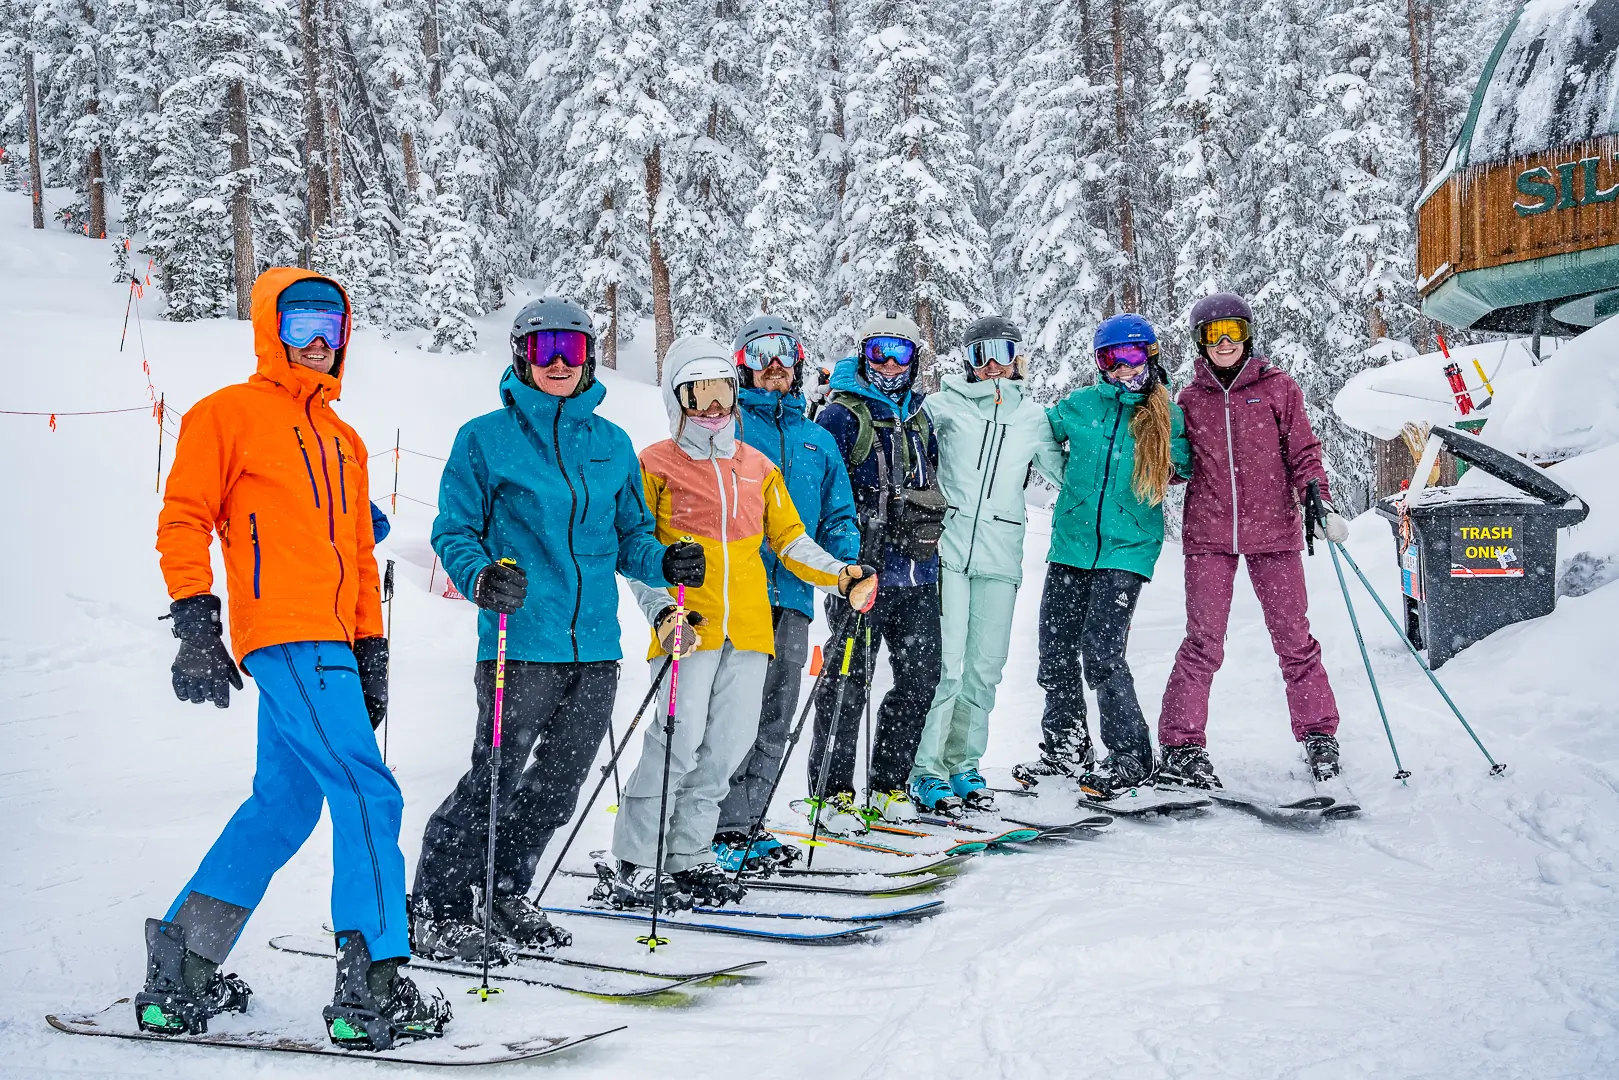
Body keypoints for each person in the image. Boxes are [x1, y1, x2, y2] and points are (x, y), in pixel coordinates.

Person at [142, 269, 450, 1051]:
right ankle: (372, 986)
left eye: (332, 327)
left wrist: (370, 647)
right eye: (302, 323)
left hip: (331, 641)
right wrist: (194, 617)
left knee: (284, 805)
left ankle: (182, 970)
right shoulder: (228, 415)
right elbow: (184, 515)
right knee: (367, 794)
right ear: (268, 329)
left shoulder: (342, 438)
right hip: (282, 632)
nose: (318, 342)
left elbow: (352, 549)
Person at [411, 298, 700, 960]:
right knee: (495, 778)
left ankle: (507, 890)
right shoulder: (485, 438)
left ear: (590, 355)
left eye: (572, 348)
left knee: (559, 785)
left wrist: (663, 560)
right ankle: (438, 905)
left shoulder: (609, 442)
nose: (561, 362)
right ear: (521, 356)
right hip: (522, 641)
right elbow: (454, 528)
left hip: (595, 645)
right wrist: (482, 577)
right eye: (545, 350)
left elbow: (631, 535)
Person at [595, 335, 876, 909]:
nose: (714, 406)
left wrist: (842, 574)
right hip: (687, 626)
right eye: (698, 395)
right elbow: (637, 549)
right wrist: (662, 612)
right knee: (677, 739)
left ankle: (691, 853)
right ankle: (636, 857)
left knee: (729, 743)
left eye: (722, 391)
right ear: (678, 401)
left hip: (749, 628)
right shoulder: (653, 463)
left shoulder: (757, 466)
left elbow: (790, 540)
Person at [1156, 293, 1350, 786]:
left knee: (1293, 640)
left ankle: (1318, 736)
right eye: (1214, 334)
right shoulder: (1188, 400)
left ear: (1247, 335)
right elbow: (1175, 468)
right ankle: (1182, 745)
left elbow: (1304, 452)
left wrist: (1317, 500)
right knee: (1203, 643)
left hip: (1276, 535)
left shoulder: (1279, 388)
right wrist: (1153, 419)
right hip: (1210, 537)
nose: (1225, 343)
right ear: (1200, 341)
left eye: (1234, 332)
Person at [1015, 313, 1191, 800]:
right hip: (1072, 543)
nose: (1124, 368)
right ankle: (1066, 748)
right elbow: (1036, 434)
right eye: (1112, 358)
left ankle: (1131, 754)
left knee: (1102, 651)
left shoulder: (1166, 415)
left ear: (1150, 356)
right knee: (1054, 649)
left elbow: (1192, 466)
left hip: (1127, 548)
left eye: (1133, 356)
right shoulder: (1081, 405)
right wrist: (1062, 478)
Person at [711, 315, 861, 872]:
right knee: (731, 715)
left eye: (785, 351)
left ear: (799, 362)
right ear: (742, 363)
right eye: (760, 352)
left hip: (793, 598)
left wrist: (848, 563)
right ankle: (715, 823)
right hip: (734, 595)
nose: (774, 362)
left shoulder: (817, 439)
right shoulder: (728, 431)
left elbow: (839, 515)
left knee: (776, 714)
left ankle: (747, 824)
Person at [907, 316, 1066, 814]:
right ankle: (925, 769)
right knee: (947, 666)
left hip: (1001, 553)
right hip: (948, 551)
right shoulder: (942, 406)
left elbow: (1067, 476)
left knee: (984, 669)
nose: (992, 363)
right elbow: (906, 450)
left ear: (1018, 356)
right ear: (968, 361)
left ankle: (963, 765)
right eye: (980, 354)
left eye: (1001, 351)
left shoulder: (1033, 418)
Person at [808, 311, 946, 830]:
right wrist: (847, 556)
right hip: (863, 575)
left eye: (901, 352)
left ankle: (889, 783)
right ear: (863, 355)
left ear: (914, 360)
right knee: (847, 682)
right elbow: (826, 491)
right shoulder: (842, 416)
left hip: (917, 574)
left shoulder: (920, 416)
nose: (889, 363)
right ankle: (831, 790)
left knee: (920, 678)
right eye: (879, 351)